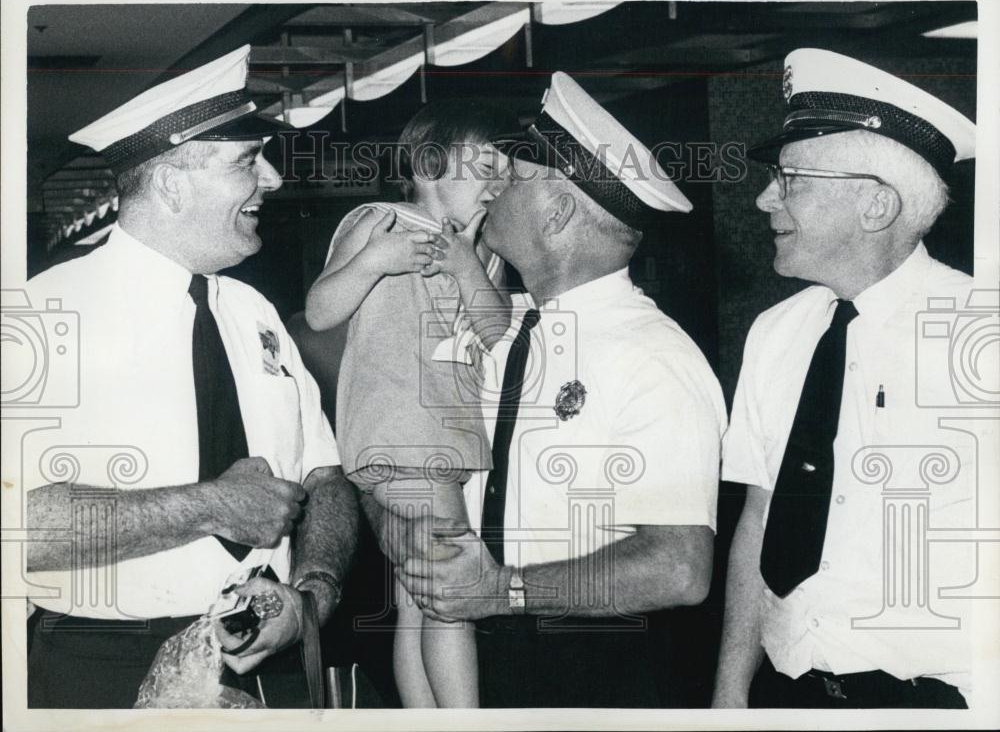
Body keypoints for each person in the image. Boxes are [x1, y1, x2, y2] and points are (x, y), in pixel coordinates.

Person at [21, 45, 359, 708]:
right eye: (246, 162)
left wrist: (312, 595)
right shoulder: (43, 313)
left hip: (268, 667)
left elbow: (324, 476)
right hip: (105, 670)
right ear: (174, 185)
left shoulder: (250, 310)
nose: (273, 180)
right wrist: (212, 505)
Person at [392, 72, 727, 708]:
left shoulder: (654, 356)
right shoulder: (498, 324)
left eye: (512, 177)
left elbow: (680, 568)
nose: (491, 186)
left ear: (558, 211)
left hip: (588, 668)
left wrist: (502, 591)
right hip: (468, 659)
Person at [712, 48, 987, 709]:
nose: (763, 197)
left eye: (790, 180)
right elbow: (758, 521)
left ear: (873, 204)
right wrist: (728, 697)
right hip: (791, 696)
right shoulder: (777, 332)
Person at [304, 100, 516, 707]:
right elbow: (320, 311)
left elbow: (496, 332)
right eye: (483, 168)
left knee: (419, 594)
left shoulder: (485, 254)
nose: (496, 184)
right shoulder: (382, 222)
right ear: (427, 166)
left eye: (503, 174)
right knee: (453, 586)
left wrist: (469, 261)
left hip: (444, 436)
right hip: (401, 429)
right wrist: (374, 262)